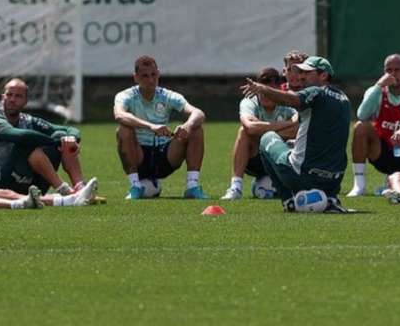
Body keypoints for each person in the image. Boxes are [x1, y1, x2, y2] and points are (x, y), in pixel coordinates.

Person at [240, 56, 351, 213]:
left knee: (267, 138)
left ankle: (289, 201)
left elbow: (291, 100)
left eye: (307, 72)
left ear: (323, 75)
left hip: (304, 176)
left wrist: (262, 88)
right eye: (300, 72)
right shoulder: (344, 98)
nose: (301, 76)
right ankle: (330, 198)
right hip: (334, 180)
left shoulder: (316, 92)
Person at [0, 78, 91, 197]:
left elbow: (70, 130)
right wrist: (56, 142)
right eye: (9, 95)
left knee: (62, 136)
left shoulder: (28, 120)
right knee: (28, 143)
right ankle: (64, 190)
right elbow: (22, 136)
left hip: (27, 184)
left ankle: (80, 189)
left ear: (26, 101)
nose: (12, 99)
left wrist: (71, 139)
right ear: (2, 98)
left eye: (18, 96)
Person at [114, 55, 207, 199]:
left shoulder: (167, 96)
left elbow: (198, 112)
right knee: (123, 130)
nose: (151, 80)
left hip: (165, 156)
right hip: (139, 156)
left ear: (158, 73)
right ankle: (135, 187)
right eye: (145, 76)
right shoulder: (125, 96)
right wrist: (151, 126)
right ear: (136, 77)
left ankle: (192, 187)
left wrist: (187, 125)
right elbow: (119, 115)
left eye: (153, 75)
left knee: (196, 129)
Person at [347, 54, 400, 197]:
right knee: (361, 126)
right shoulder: (376, 91)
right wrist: (379, 86)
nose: (392, 74)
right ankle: (359, 185)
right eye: (388, 70)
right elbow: (362, 114)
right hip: (382, 152)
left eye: (397, 70)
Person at [220, 67, 298, 200]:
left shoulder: (287, 103)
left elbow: (298, 129)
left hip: (279, 157)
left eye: (269, 91)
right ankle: (236, 187)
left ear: (277, 91)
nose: (265, 95)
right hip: (255, 158)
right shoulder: (249, 101)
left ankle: (265, 185)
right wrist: (286, 124)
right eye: (263, 91)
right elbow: (250, 127)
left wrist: (262, 129)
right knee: (243, 132)